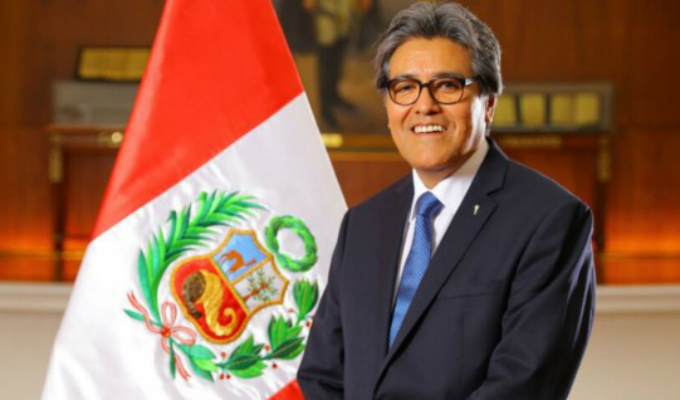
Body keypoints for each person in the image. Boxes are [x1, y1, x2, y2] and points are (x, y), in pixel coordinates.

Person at [298, 2, 596, 399]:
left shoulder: (550, 221)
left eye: (447, 86)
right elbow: (321, 377)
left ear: (488, 103)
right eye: (405, 88)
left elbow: (522, 387)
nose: (424, 105)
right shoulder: (363, 224)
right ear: (388, 106)